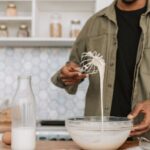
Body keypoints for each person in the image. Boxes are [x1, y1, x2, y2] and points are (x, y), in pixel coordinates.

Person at [51, 0, 150, 137]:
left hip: (146, 139)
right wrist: (67, 75)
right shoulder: (94, 23)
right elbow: (73, 67)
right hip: (101, 136)